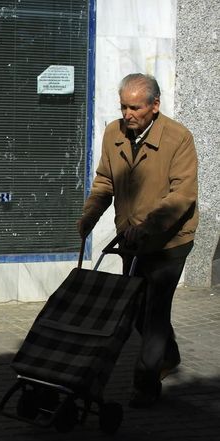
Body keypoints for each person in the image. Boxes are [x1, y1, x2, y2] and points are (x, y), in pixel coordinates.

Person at [77, 73, 199, 408]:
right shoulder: (113, 132)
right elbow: (105, 181)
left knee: (154, 313)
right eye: (124, 107)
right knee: (134, 310)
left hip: (169, 242)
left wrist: (147, 226)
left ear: (154, 106)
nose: (128, 114)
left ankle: (146, 385)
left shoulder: (178, 138)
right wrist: (89, 216)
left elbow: (182, 195)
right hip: (131, 237)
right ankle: (168, 355)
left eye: (136, 108)